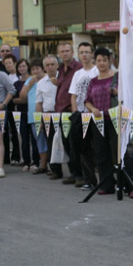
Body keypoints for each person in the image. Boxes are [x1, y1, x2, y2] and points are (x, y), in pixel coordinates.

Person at [85, 47, 133, 198]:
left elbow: (128, 95)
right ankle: (107, 184)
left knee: (120, 152)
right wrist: (93, 109)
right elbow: (87, 100)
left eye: (104, 60)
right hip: (99, 120)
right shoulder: (93, 81)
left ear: (110, 61)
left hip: (116, 119)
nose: (101, 63)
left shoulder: (118, 77)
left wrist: (118, 93)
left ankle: (132, 187)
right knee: (101, 153)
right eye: (98, 60)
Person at [68, 42, 99, 189]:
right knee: (83, 149)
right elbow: (73, 95)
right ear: (78, 55)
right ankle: (88, 179)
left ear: (92, 54)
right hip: (80, 115)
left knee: (97, 148)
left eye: (87, 52)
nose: (84, 55)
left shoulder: (97, 71)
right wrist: (76, 113)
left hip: (94, 115)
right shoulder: (77, 74)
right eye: (82, 52)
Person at [54, 41, 83, 184]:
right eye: (62, 51)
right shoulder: (60, 69)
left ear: (72, 52)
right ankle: (73, 173)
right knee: (66, 144)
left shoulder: (78, 68)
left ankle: (80, 175)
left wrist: (75, 107)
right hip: (60, 111)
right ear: (59, 54)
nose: (65, 53)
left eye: (67, 51)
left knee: (75, 145)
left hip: (72, 111)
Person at [21, 59, 50, 174]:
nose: (35, 71)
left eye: (37, 69)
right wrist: (30, 84)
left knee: (50, 140)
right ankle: (42, 165)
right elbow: (22, 96)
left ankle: (51, 164)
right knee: (39, 140)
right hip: (33, 115)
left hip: (47, 113)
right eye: (33, 69)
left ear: (42, 68)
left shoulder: (47, 79)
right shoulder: (30, 80)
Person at [37, 55, 62, 179]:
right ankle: (55, 170)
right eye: (47, 65)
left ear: (57, 65)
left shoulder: (64, 79)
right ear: (44, 67)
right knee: (51, 143)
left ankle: (75, 172)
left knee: (67, 143)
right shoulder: (41, 83)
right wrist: (39, 120)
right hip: (48, 115)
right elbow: (39, 103)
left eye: (52, 64)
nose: (50, 67)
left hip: (63, 114)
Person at [12, 58, 37, 171]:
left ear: (28, 67)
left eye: (24, 66)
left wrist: (23, 99)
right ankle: (26, 161)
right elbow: (14, 99)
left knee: (35, 138)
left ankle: (35, 161)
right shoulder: (16, 83)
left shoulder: (33, 80)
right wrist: (24, 99)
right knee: (24, 138)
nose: (22, 68)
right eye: (19, 67)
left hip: (33, 112)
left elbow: (32, 97)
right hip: (21, 113)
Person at [1, 53, 22, 165]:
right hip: (5, 107)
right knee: (4, 132)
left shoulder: (19, 77)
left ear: (15, 63)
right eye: (6, 64)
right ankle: (4, 157)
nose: (8, 65)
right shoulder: (5, 77)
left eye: (10, 63)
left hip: (16, 107)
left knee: (15, 132)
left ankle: (16, 156)